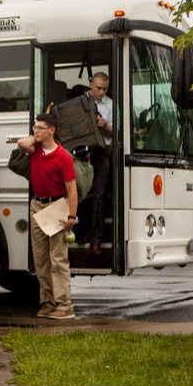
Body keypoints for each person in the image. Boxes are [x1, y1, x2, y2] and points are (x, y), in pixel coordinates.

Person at [17, 113, 78, 320]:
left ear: (52, 130)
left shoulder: (62, 157)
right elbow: (21, 143)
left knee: (58, 258)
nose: (35, 130)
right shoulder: (35, 150)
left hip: (57, 206)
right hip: (38, 205)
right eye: (35, 127)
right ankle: (48, 302)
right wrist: (36, 136)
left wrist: (72, 216)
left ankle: (64, 304)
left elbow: (72, 189)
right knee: (40, 259)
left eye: (40, 128)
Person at [87, 71, 113, 256]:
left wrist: (104, 126)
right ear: (90, 85)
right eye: (98, 88)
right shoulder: (80, 102)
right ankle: (82, 233)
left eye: (105, 89)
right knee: (79, 194)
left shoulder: (110, 104)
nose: (101, 92)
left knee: (99, 196)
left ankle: (96, 240)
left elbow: (116, 133)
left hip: (103, 152)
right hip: (82, 153)